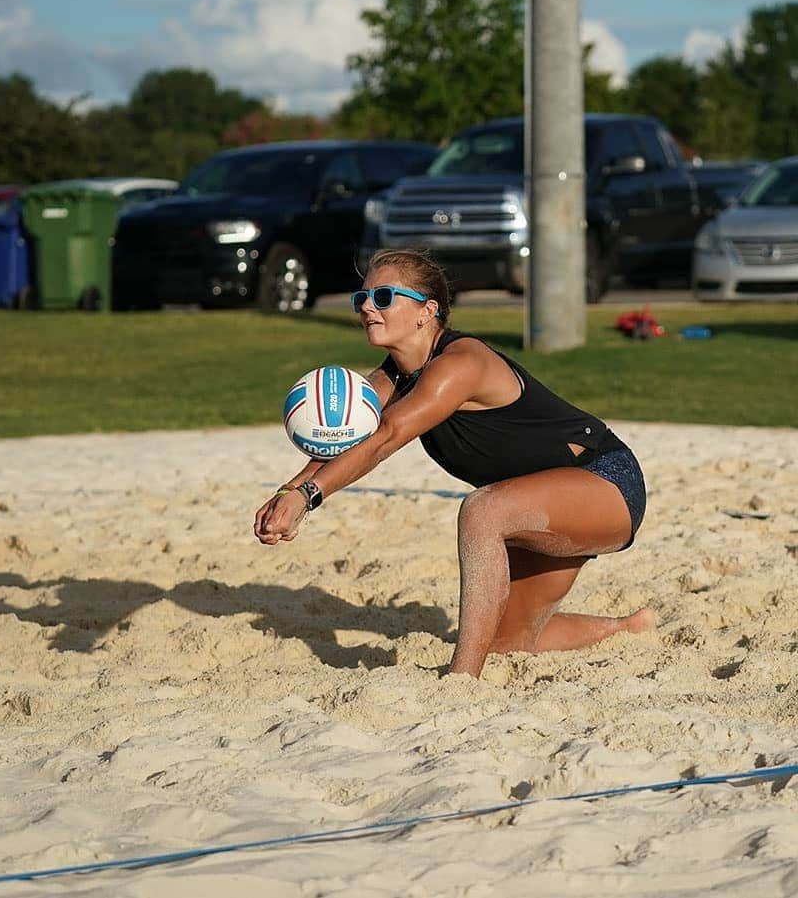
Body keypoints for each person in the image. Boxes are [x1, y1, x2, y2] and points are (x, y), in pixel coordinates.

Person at [254, 247, 653, 678]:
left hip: (603, 482)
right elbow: (352, 439)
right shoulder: (392, 376)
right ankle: (630, 629)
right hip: (537, 505)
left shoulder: (459, 365)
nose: (367, 306)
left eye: (384, 297)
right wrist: (289, 492)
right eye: (361, 298)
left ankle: (461, 679)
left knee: (482, 511)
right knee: (507, 645)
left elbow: (387, 437)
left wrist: (310, 497)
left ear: (427, 311)